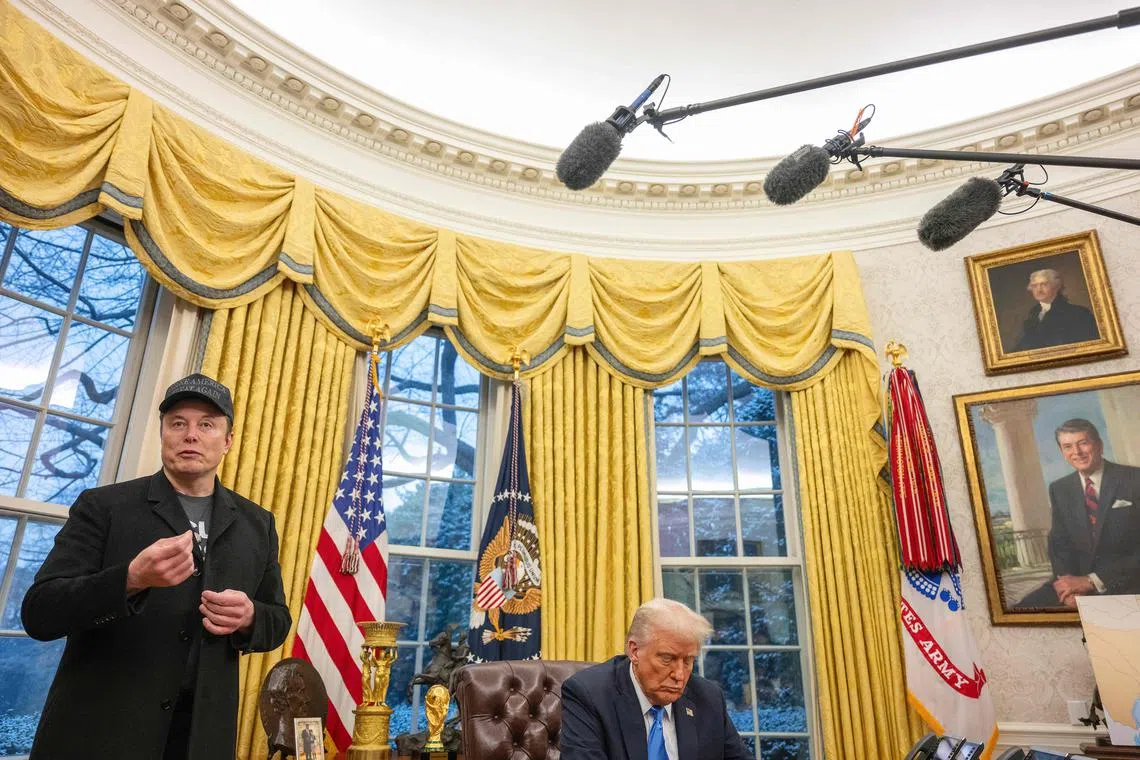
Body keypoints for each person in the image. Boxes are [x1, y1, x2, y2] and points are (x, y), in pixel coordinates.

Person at [21, 374, 292, 760]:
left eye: (207, 424)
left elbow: (277, 620)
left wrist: (250, 617)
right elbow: (39, 612)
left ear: (228, 440)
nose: (191, 435)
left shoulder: (257, 523)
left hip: (201, 740)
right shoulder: (103, 507)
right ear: (163, 432)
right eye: (178, 423)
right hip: (101, 737)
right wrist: (130, 580)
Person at [560, 598, 749, 760]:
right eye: (667, 659)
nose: (679, 675)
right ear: (635, 651)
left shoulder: (708, 698)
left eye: (688, 661)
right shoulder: (589, 694)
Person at [1016, 418, 1140, 609]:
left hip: (1125, 580)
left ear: (1099, 445)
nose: (1077, 452)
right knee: (1020, 611)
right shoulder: (1060, 488)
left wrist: (1091, 581)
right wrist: (1068, 587)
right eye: (1068, 446)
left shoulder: (1134, 479)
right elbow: (1059, 544)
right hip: (1074, 581)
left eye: (1083, 443)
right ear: (1062, 452)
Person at [1013, 268, 1099, 352]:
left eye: (1044, 284)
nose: (1039, 290)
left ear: (1056, 287)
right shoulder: (1032, 315)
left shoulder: (1079, 313)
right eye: (1034, 286)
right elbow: (1024, 346)